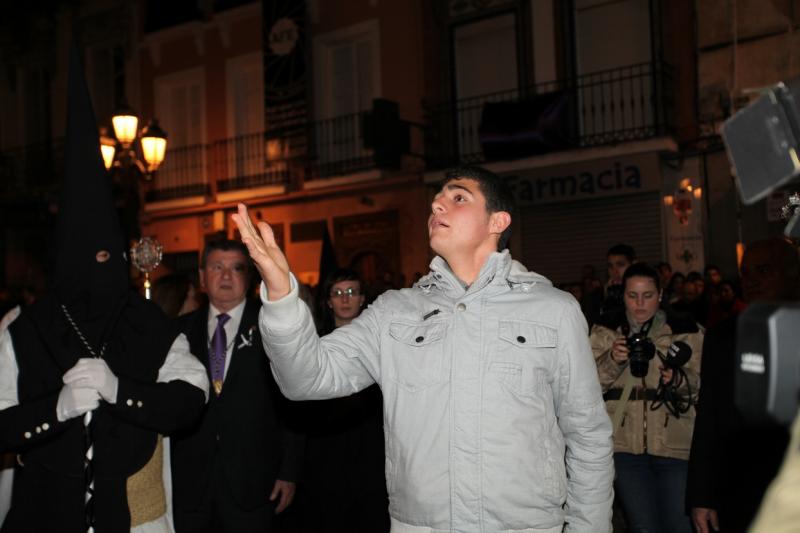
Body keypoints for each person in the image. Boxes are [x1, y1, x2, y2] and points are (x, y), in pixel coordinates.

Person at [233, 165, 614, 532]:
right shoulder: (396, 312)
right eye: (436, 199)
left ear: (497, 222)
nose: (436, 205)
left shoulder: (553, 310)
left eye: (458, 197)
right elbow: (306, 378)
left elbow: (588, 436)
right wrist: (282, 298)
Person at [0, 46, 209, 533]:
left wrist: (123, 392)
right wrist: (55, 410)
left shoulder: (147, 321)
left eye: (107, 256)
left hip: (133, 517)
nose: (99, 269)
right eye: (86, 258)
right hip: (44, 512)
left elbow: (191, 399)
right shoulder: (23, 329)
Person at [169, 239, 304, 533]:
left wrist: (289, 472)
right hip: (191, 482)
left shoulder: (273, 328)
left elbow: (293, 402)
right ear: (203, 278)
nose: (226, 276)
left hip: (255, 481)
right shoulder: (178, 331)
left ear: (250, 277)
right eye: (217, 267)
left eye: (236, 268)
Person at [687, 238, 800, 533]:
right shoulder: (723, 336)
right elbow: (709, 417)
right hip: (741, 489)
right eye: (746, 273)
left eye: (764, 270)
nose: (752, 281)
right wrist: (701, 495)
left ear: (792, 272)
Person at [591, 263, 703, 533]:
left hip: (674, 444)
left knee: (680, 525)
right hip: (625, 448)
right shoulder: (606, 332)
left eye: (648, 295)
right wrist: (612, 360)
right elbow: (585, 388)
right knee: (643, 527)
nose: (640, 304)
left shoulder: (686, 330)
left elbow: (703, 386)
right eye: (632, 296)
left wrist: (678, 380)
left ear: (661, 294)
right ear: (623, 295)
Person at [300, 268, 389, 532]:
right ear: (328, 302)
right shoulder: (315, 343)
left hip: (373, 446)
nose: (345, 299)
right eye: (337, 293)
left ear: (363, 298)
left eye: (351, 292)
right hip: (327, 446)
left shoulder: (382, 342)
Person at [597, 244, 636, 327]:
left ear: (633, 265)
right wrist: (606, 299)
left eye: (620, 265)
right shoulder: (598, 295)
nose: (614, 271)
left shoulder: (644, 292)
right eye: (610, 266)